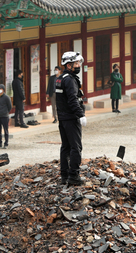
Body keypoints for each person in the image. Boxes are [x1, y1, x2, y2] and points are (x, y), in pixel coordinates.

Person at [56, 51, 87, 186]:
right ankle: (73, 176)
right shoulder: (69, 80)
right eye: (76, 63)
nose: (79, 65)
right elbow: (73, 100)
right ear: (68, 65)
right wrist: (80, 115)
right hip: (70, 118)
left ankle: (64, 176)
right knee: (76, 147)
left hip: (62, 118)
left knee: (65, 147)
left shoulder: (61, 78)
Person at [0, 84, 12, 149]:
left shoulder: (6, 97)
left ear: (3, 90)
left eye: (0, 89)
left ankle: (6, 143)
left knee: (5, 130)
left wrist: (6, 112)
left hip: (4, 116)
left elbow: (10, 106)